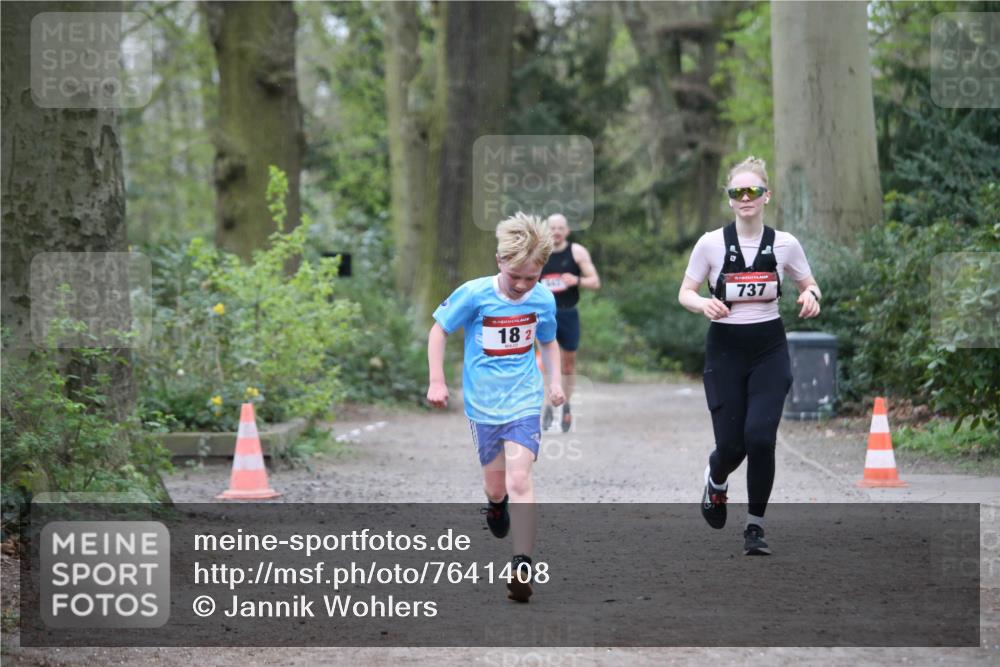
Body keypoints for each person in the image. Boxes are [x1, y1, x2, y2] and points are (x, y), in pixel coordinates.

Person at [678, 156, 821, 556]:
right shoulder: (710, 244)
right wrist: (702, 304)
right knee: (731, 448)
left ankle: (755, 527)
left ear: (766, 196)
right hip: (725, 350)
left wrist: (811, 296)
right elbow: (685, 292)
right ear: (729, 198)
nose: (745, 198)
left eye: (752, 191)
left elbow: (810, 284)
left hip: (769, 349)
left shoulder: (785, 244)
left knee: (759, 438)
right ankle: (716, 479)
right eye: (737, 191)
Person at [427, 212, 565, 602]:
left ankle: (522, 565)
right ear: (499, 261)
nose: (521, 286)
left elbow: (548, 341)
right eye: (514, 276)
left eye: (531, 278)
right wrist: (437, 380)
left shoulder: (543, 299)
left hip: (524, 401)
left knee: (520, 480)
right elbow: (439, 330)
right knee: (497, 486)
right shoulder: (474, 294)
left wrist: (555, 381)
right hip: (483, 406)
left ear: (542, 271)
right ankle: (495, 505)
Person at [539, 213, 601, 432]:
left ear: (567, 230)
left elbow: (595, 281)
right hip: (545, 315)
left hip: (568, 313)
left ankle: (566, 406)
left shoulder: (577, 252)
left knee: (567, 365)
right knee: (545, 363)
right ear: (546, 230)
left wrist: (577, 280)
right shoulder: (539, 252)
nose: (556, 232)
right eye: (552, 228)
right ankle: (547, 406)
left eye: (560, 228)